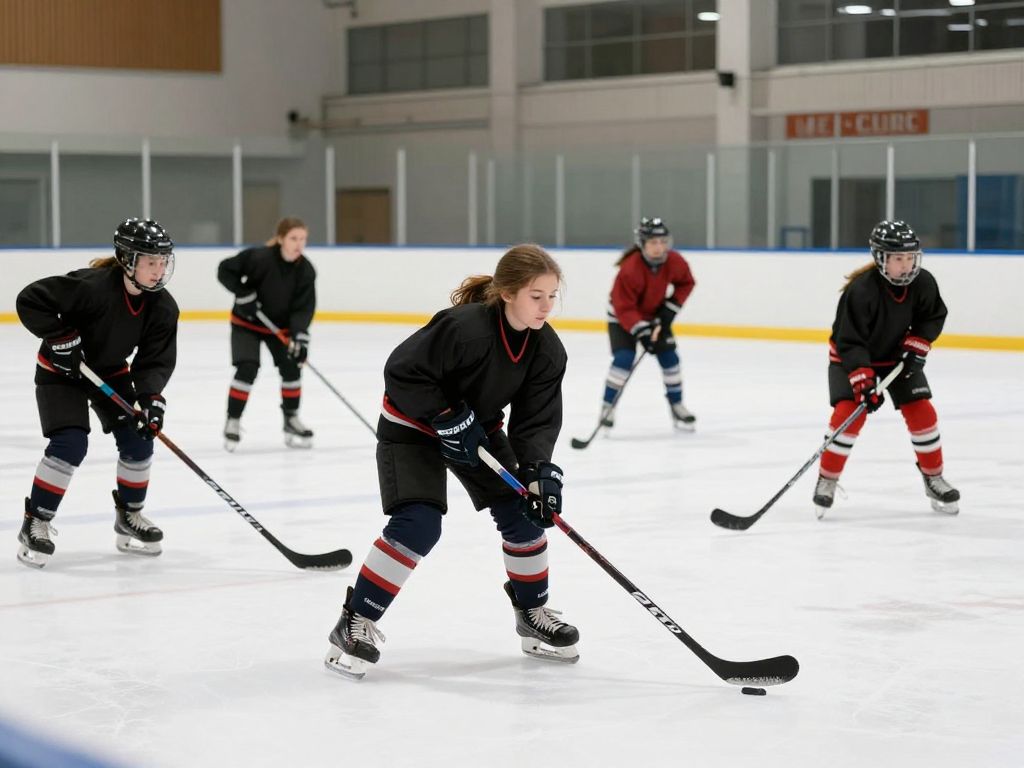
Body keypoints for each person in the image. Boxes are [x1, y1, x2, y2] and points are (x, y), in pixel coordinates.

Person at [324, 244, 578, 680]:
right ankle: (354, 620)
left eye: (552, 296)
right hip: (412, 427)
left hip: (477, 430)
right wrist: (445, 417)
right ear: (507, 293)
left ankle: (532, 613)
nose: (546, 306)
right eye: (537, 296)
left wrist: (537, 475)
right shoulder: (464, 328)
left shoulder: (546, 350)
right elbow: (402, 371)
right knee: (419, 524)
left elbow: (536, 422)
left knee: (525, 516)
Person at [14, 218, 179, 568]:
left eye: (163, 260)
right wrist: (61, 338)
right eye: (151, 261)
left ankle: (129, 515)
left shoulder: (162, 307)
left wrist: (150, 400)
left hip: (108, 370)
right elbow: (30, 299)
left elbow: (153, 362)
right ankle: (36, 521)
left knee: (139, 438)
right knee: (71, 443)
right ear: (127, 259)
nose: (158, 269)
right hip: (61, 372)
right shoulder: (91, 287)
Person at [814, 219, 960, 518]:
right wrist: (863, 381)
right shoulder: (861, 291)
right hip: (851, 359)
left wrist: (917, 346)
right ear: (881, 259)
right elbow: (849, 341)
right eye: (898, 259)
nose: (906, 266)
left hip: (896, 359)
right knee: (847, 416)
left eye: (910, 257)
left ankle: (933, 478)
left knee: (922, 412)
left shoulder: (923, 283)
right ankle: (827, 480)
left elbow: (932, 317)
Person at [217, 217, 316, 450]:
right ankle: (233, 420)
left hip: (279, 329)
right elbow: (225, 270)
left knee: (292, 366)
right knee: (247, 367)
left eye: (302, 239)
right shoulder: (258, 258)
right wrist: (243, 293)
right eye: (293, 238)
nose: (298, 243)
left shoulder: (306, 271)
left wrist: (299, 337)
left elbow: (304, 308)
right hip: (247, 323)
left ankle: (291, 419)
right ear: (281, 238)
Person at [600, 216, 697, 432]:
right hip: (621, 318)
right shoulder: (630, 269)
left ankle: (677, 405)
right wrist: (642, 331)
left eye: (663, 242)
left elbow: (686, 282)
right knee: (624, 359)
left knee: (670, 358)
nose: (659, 247)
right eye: (653, 242)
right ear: (642, 244)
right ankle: (608, 407)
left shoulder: (674, 261)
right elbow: (623, 307)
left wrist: (669, 310)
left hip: (654, 317)